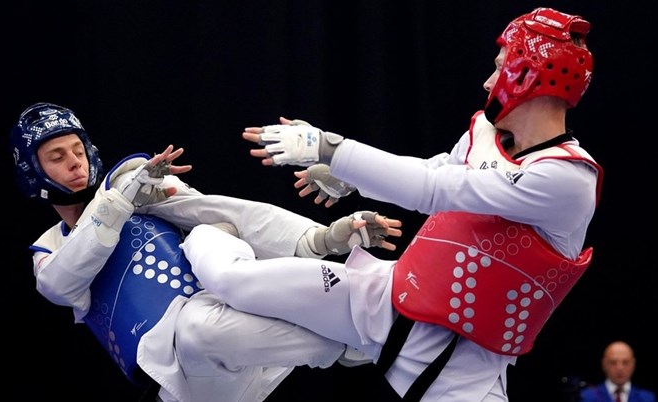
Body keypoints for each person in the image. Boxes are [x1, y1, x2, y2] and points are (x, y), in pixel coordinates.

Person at [181, 7, 603, 402]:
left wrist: (329, 148)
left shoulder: (567, 179)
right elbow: (432, 168)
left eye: (498, 66)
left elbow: (434, 188)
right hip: (382, 298)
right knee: (235, 282)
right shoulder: (485, 134)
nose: (489, 83)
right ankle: (207, 230)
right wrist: (347, 178)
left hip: (460, 374)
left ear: (526, 74)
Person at [9, 102, 403, 402]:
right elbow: (60, 284)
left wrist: (322, 240)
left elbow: (218, 210)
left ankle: (372, 330)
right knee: (194, 330)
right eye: (57, 157)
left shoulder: (135, 181)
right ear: (33, 173)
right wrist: (118, 202)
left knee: (209, 236)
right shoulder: (51, 248)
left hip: (241, 330)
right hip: (188, 381)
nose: (74, 163)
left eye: (77, 150)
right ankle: (365, 323)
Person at [579, 341, 656, 402]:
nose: (620, 368)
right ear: (604, 364)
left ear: (633, 364)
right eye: (613, 362)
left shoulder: (647, 398)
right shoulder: (587, 397)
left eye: (625, 362)